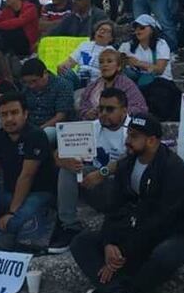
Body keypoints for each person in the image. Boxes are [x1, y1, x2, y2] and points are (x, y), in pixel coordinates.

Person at [70, 113, 184, 293]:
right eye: (128, 134)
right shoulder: (125, 165)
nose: (128, 141)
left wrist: (122, 248)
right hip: (130, 231)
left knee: (165, 256)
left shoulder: (174, 168)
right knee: (80, 242)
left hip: (171, 232)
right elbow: (114, 207)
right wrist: (109, 243)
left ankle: (119, 290)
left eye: (135, 136)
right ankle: (115, 292)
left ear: (152, 140)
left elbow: (165, 219)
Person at [0, 92, 57, 251]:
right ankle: (5, 239)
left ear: (25, 114)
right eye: (4, 114)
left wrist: (12, 212)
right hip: (8, 192)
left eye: (14, 113)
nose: (9, 119)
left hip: (38, 192)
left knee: (12, 221)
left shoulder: (36, 135)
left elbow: (26, 176)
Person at [54, 87, 130, 253]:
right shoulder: (91, 127)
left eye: (110, 109)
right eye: (100, 108)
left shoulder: (133, 129)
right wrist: (65, 161)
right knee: (67, 171)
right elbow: (57, 153)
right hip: (94, 186)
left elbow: (131, 160)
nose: (103, 113)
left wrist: (103, 173)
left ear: (124, 110)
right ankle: (69, 226)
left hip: (122, 192)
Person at [77, 48, 147, 120]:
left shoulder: (127, 85)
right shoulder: (92, 87)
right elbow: (82, 108)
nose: (105, 64)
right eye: (101, 62)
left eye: (109, 61)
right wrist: (88, 113)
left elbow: (140, 108)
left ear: (118, 66)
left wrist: (115, 112)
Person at [19, 58, 73, 130]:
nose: (31, 86)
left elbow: (61, 116)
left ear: (45, 74)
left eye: (34, 81)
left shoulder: (62, 86)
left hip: (54, 127)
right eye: (27, 82)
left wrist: (38, 131)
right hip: (30, 126)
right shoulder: (26, 88)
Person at [58, 20, 114, 89]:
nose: (101, 32)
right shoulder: (84, 45)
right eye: (100, 29)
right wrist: (63, 66)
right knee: (65, 73)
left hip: (97, 84)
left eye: (106, 31)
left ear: (111, 38)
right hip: (79, 80)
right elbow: (70, 61)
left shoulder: (111, 51)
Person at [121, 14, 173, 84]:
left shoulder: (161, 44)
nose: (138, 31)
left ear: (152, 30)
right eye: (135, 28)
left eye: (142, 28)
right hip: (137, 84)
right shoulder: (127, 45)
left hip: (161, 82)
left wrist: (138, 63)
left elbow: (160, 69)